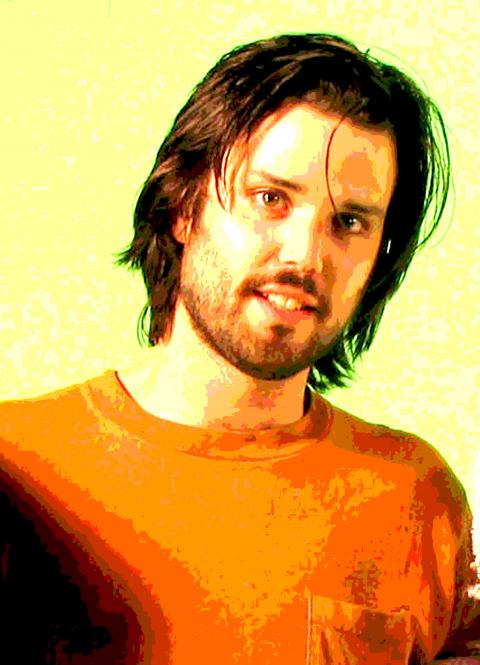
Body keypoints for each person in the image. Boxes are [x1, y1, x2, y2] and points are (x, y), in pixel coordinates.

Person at [0, 32, 478, 664]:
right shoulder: (15, 467)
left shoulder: (416, 499)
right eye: (270, 199)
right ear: (182, 205)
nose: (305, 256)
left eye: (349, 222)